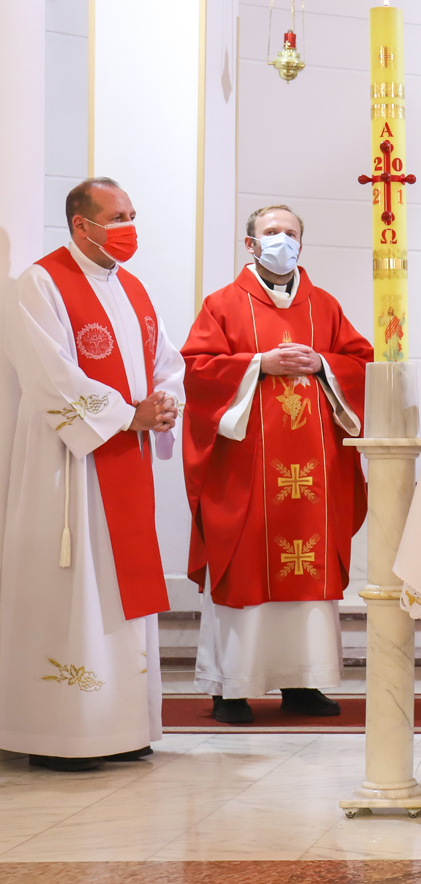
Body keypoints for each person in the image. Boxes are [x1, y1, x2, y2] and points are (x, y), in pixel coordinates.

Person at [0, 177, 183, 770]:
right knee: (75, 587)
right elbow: (46, 373)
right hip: (69, 463)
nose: (130, 227)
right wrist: (128, 415)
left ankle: (121, 726)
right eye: (118, 217)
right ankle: (64, 734)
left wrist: (164, 402)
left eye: (132, 214)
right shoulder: (41, 282)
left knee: (118, 591)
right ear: (82, 224)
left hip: (124, 458)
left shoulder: (132, 287)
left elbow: (166, 361)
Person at [182, 205, 372, 725]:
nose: (281, 241)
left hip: (314, 474)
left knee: (307, 572)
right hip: (246, 472)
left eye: (290, 233)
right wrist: (257, 364)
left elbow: (362, 363)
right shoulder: (223, 304)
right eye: (271, 232)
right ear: (250, 244)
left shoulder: (324, 305)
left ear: (301, 244)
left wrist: (325, 363)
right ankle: (231, 689)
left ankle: (303, 682)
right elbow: (197, 371)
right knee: (244, 569)